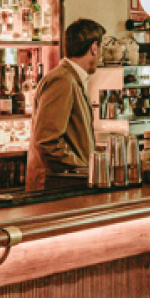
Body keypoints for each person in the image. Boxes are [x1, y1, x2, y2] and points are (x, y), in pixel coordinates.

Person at [27, 18, 104, 193]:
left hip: (67, 185)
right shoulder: (63, 79)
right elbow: (48, 141)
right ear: (94, 47)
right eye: (101, 49)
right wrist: (84, 166)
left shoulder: (71, 78)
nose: (101, 55)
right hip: (57, 188)